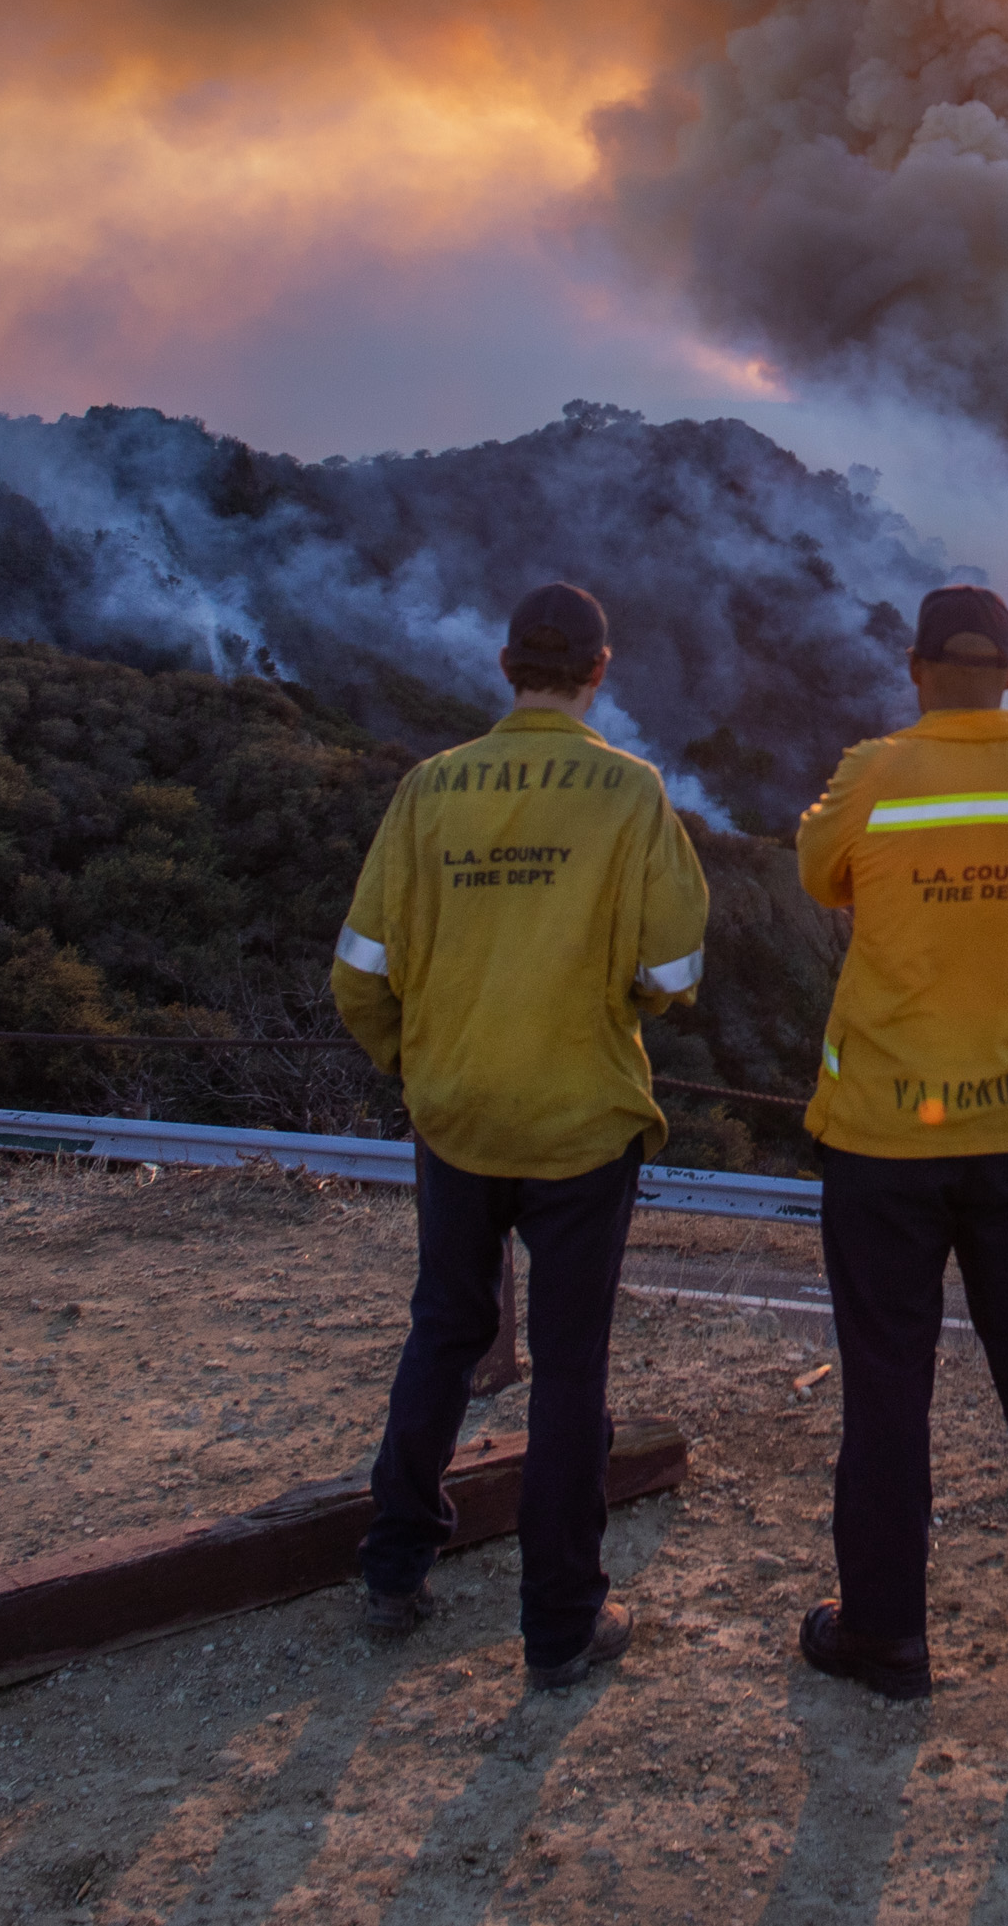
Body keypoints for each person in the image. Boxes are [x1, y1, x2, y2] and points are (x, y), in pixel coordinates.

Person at [331, 582, 710, 1691]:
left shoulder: (429, 788)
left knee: (443, 1329)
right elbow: (673, 969)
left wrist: (421, 1060)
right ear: (600, 667)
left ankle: (392, 1567)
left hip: (454, 1113)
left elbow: (359, 972)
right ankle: (558, 1625)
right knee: (570, 1364)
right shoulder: (629, 793)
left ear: (506, 666)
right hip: (579, 1118)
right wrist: (610, 1002)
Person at [789, 584, 1008, 1702]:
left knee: (887, 1386)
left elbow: (814, 874)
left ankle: (885, 1632)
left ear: (916, 665)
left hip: (886, 1132)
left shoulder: (870, 773)